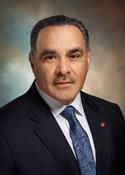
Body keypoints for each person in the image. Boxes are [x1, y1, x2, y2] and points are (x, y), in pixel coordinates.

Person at [0, 15, 125, 175]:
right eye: (50, 57)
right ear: (33, 62)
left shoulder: (111, 114)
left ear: (88, 59)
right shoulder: (4, 129)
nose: (63, 69)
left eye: (74, 56)